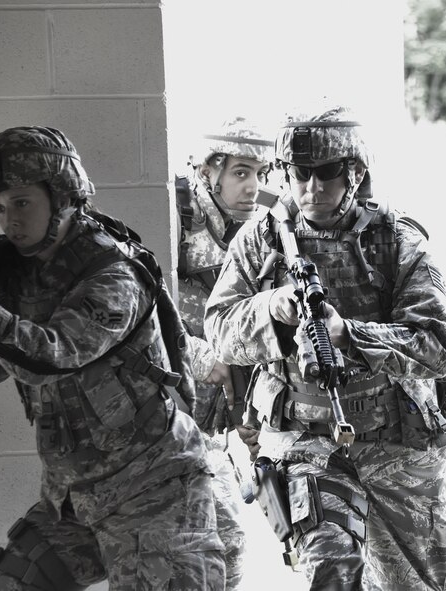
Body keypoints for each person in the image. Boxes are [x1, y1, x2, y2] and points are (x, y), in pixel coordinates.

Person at [0, 126, 225, 590]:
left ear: (64, 195)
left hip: (153, 492)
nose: (9, 221)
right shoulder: (18, 272)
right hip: (71, 501)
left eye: (22, 202)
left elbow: (52, 356)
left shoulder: (113, 273)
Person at [204, 104, 446, 590]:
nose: (311, 188)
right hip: (306, 443)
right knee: (331, 571)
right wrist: (274, 308)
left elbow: (434, 347)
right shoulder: (263, 241)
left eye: (326, 174)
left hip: (396, 441)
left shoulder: (396, 241)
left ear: (355, 172)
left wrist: (348, 334)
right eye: (299, 174)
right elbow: (219, 327)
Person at [175, 116, 275, 590]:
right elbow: (140, 313)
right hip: (167, 418)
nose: (253, 186)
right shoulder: (173, 217)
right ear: (209, 173)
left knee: (227, 546)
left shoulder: (263, 235)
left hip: (219, 418)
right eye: (240, 172)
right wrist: (199, 356)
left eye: (259, 172)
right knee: (217, 541)